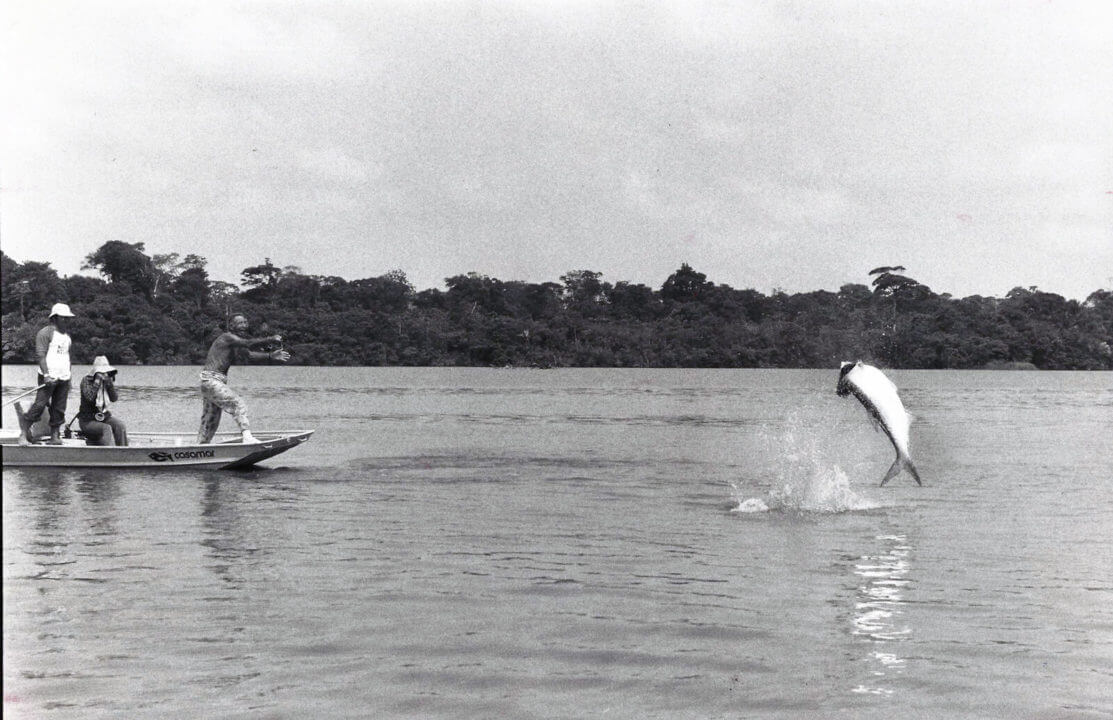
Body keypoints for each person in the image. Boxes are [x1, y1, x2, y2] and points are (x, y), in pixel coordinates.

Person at [197, 314, 289, 444]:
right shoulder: (227, 337)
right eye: (240, 323)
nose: (244, 325)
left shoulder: (235, 343)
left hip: (211, 382)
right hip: (211, 380)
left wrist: (270, 356)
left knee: (210, 420)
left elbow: (249, 355)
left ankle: (200, 447)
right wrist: (270, 339)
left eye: (245, 322)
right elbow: (248, 343)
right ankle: (247, 437)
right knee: (238, 404)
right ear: (232, 326)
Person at [18, 302, 75, 445]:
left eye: (68, 318)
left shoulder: (67, 337)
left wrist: (69, 378)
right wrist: (46, 375)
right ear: (55, 318)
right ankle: (23, 434)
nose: (66, 321)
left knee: (59, 408)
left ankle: (54, 436)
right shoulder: (45, 333)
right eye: (63, 318)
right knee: (40, 405)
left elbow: (67, 358)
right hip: (48, 377)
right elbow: (40, 355)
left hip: (63, 377)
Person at [77, 356, 128, 446]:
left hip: (104, 417)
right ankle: (108, 453)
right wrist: (97, 381)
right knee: (106, 428)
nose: (104, 373)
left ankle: (123, 451)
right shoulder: (86, 380)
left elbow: (114, 398)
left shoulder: (107, 382)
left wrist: (109, 384)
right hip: (87, 421)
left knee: (120, 425)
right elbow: (89, 398)